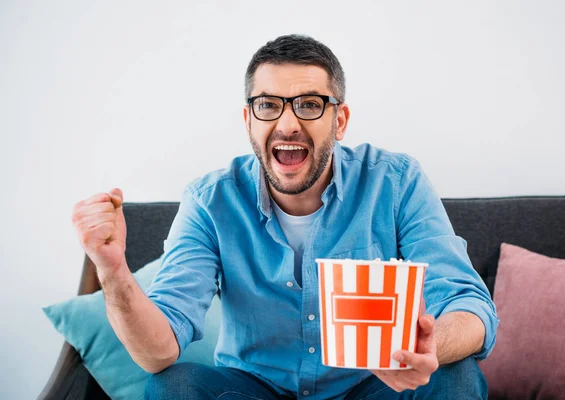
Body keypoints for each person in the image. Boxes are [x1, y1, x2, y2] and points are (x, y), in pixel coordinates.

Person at [71, 34, 498, 399]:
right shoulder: (209, 201)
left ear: (340, 120)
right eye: (268, 105)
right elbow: (158, 350)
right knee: (171, 386)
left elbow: (469, 305)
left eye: (309, 104)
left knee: (455, 375)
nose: (288, 123)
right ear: (248, 120)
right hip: (253, 389)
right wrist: (112, 270)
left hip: (373, 386)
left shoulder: (396, 182)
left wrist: (429, 347)